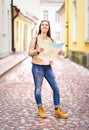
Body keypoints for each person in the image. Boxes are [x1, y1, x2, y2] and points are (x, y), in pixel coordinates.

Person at [28, 20, 69, 119]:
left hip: (48, 67)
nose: (44, 26)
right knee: (38, 89)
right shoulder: (35, 38)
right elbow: (29, 52)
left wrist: (59, 52)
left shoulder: (51, 39)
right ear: (40, 27)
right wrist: (37, 50)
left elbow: (57, 52)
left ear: (48, 27)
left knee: (56, 88)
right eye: (43, 25)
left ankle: (57, 110)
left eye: (46, 25)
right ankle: (40, 109)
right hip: (37, 67)